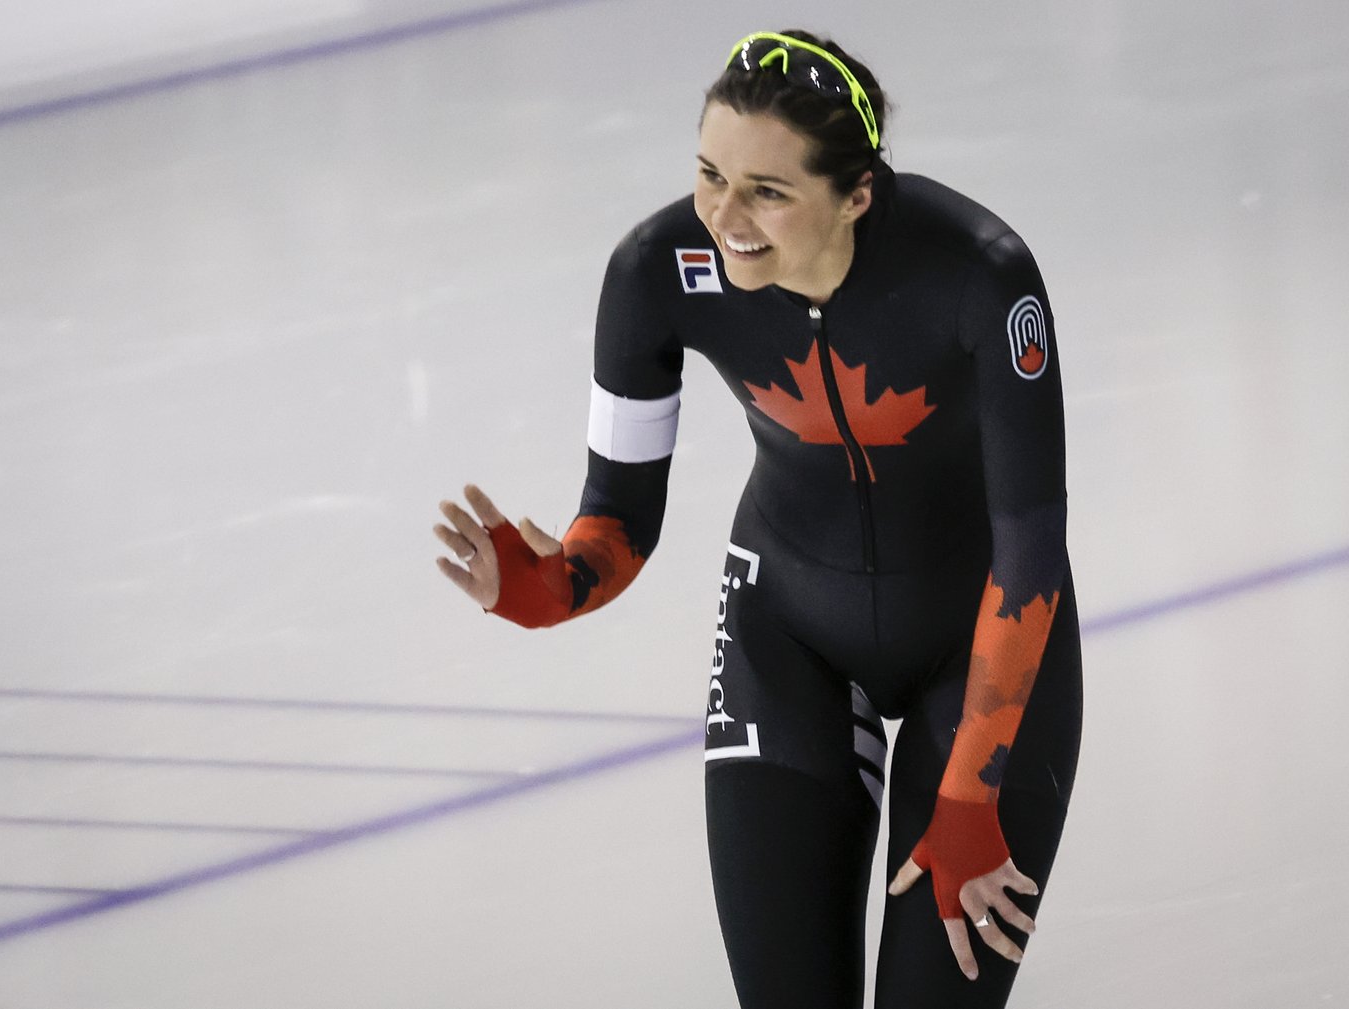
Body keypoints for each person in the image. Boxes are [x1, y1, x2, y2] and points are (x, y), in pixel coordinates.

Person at [434, 30, 1082, 1009]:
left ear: (855, 193)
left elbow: (1028, 553)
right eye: (707, 175)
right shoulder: (653, 271)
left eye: (765, 192)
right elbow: (614, 522)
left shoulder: (978, 276)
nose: (721, 217)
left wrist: (966, 793)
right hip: (787, 634)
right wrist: (541, 590)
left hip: (983, 643)